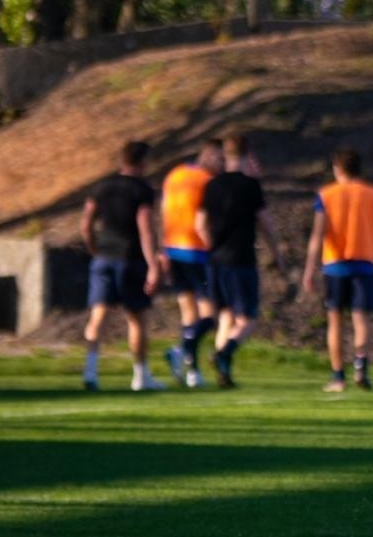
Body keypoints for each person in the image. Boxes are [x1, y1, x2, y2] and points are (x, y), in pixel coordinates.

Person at [196, 133, 286, 388]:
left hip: (216, 260)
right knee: (247, 318)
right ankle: (224, 353)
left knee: (225, 315)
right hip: (241, 258)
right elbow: (265, 223)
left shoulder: (211, 185)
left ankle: (223, 373)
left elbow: (199, 224)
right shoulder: (250, 186)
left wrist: (212, 244)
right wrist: (277, 252)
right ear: (248, 154)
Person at [81, 140, 163, 391]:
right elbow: (145, 229)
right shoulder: (142, 190)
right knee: (136, 319)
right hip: (130, 260)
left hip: (103, 258)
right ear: (143, 162)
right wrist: (153, 264)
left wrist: (95, 248)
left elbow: (86, 224)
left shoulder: (102, 187)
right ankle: (140, 376)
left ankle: (91, 372)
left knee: (97, 318)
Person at [301, 148, 373, 393]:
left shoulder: (327, 194)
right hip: (364, 261)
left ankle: (338, 376)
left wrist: (309, 268)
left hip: (335, 265)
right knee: (361, 319)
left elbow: (318, 234)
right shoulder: (372, 194)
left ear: (337, 168)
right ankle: (361, 366)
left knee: (335, 321)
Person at [160, 139, 223, 388]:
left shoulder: (174, 175)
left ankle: (192, 371)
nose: (222, 164)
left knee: (189, 313)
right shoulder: (207, 181)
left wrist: (161, 247)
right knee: (210, 314)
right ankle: (180, 351)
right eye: (219, 159)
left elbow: (164, 210)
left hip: (173, 249)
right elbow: (204, 219)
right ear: (208, 156)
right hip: (197, 250)